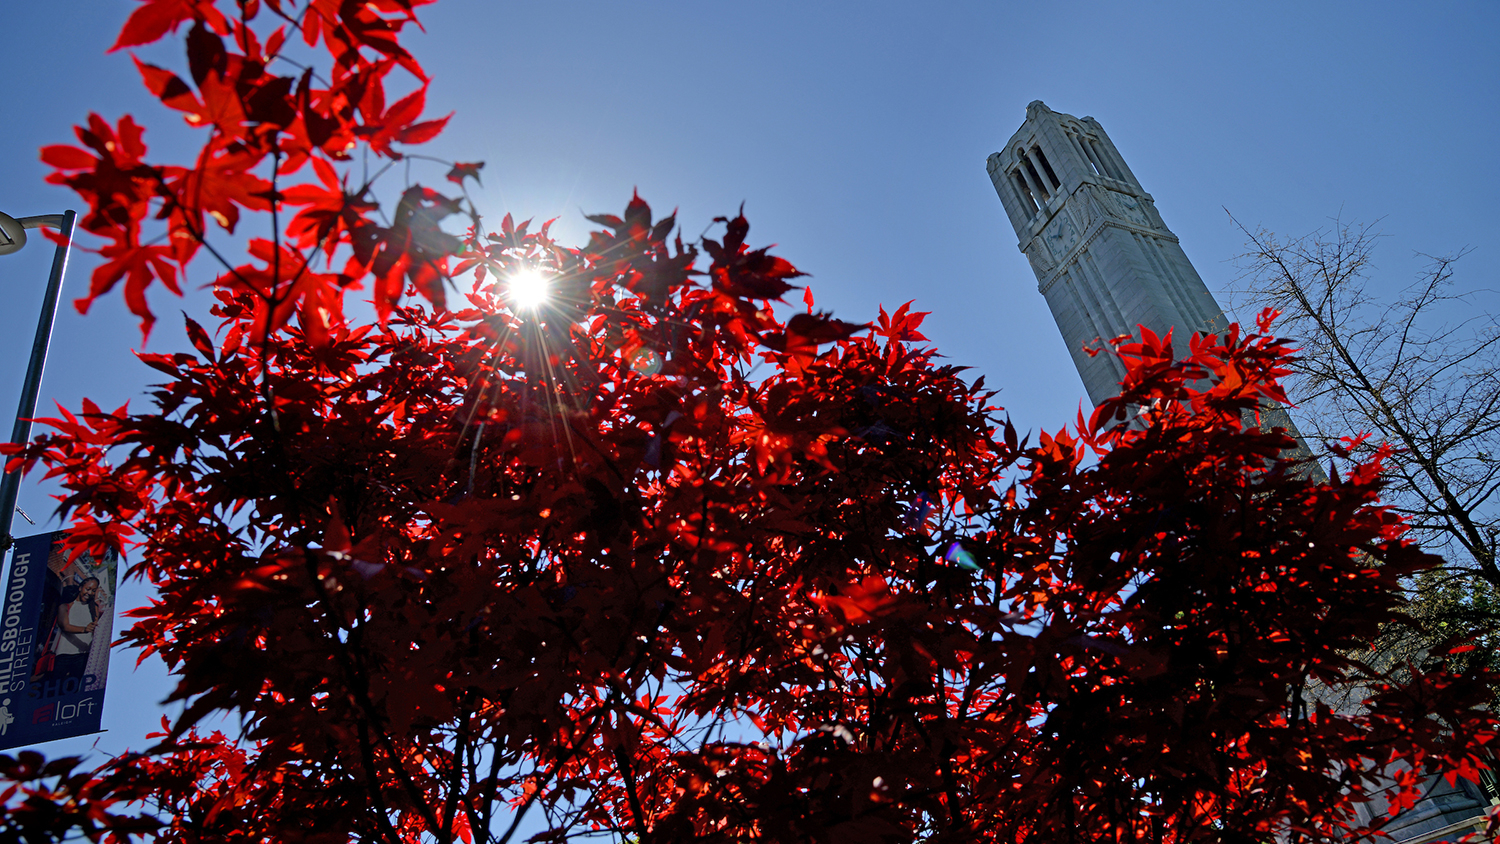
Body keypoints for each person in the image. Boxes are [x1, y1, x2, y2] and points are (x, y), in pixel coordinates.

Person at [53, 577, 100, 685]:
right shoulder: (65, 606)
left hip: (83, 655)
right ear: (80, 588)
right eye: (87, 589)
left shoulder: (94, 608)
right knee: (55, 686)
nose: (89, 592)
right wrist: (84, 629)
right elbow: (65, 626)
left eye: (93, 590)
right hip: (64, 654)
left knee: (73, 688)